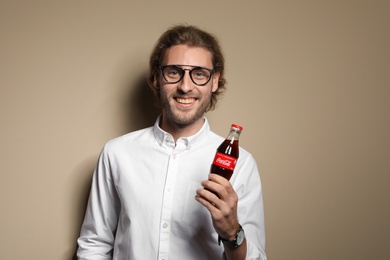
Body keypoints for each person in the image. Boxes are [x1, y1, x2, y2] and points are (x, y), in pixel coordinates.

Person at [77, 24, 267, 260]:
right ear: (157, 78)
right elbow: (93, 245)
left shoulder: (242, 164)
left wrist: (232, 233)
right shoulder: (117, 153)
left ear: (214, 81)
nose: (185, 86)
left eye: (199, 74)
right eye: (174, 72)